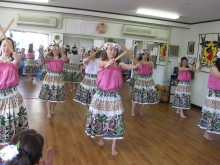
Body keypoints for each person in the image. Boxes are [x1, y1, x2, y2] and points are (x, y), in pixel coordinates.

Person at [85, 42, 140, 156]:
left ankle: (113, 147)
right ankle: (102, 138)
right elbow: (102, 63)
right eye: (110, 49)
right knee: (101, 117)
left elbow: (128, 66)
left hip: (114, 96)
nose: (112, 52)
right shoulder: (100, 61)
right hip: (101, 95)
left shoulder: (119, 64)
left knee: (116, 118)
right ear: (106, 51)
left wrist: (136, 66)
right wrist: (108, 62)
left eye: (115, 50)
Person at [0, 37, 29, 145]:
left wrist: (17, 59)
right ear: (0, 46)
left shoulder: (14, 62)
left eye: (9, 46)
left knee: (12, 124)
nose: (6, 48)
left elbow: (17, 64)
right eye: (4, 45)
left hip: (12, 97)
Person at [39, 46, 68, 119]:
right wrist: (45, 55)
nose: (55, 51)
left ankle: (52, 110)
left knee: (56, 95)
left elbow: (65, 59)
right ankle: (48, 112)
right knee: (48, 95)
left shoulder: (62, 59)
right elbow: (45, 58)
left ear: (59, 51)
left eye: (57, 50)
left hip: (58, 78)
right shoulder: (49, 58)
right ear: (52, 51)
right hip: (49, 77)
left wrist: (63, 53)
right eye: (54, 50)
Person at [198, 51, 220, 140]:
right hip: (213, 94)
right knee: (211, 112)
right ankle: (206, 133)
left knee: (217, 113)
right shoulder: (214, 68)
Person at [131, 50, 158, 116]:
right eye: (144, 54)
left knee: (146, 96)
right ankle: (132, 111)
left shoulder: (151, 62)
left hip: (148, 80)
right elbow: (136, 69)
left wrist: (149, 64)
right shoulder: (139, 62)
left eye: (147, 54)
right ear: (142, 55)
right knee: (136, 95)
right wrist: (138, 64)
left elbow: (151, 69)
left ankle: (141, 110)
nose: (146, 56)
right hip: (140, 80)